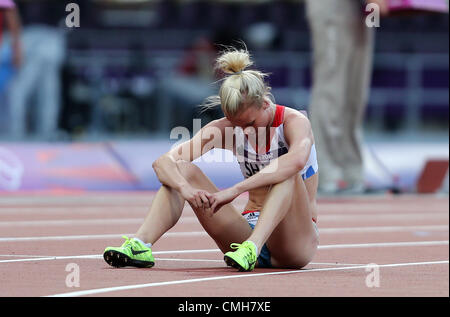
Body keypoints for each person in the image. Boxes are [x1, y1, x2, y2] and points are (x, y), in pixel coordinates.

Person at [103, 47, 319, 271]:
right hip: (244, 233)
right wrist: (185, 189)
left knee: (286, 171)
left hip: (294, 242)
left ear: (265, 103)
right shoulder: (225, 129)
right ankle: (140, 244)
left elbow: (295, 162)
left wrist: (234, 190)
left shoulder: (294, 122)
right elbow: (162, 163)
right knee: (181, 169)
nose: (244, 132)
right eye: (236, 124)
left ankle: (252, 248)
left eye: (250, 124)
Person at [305, 0, 388, 194]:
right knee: (332, 89)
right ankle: (327, 173)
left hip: (362, 9)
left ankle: (352, 172)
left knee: (355, 93)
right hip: (334, 6)